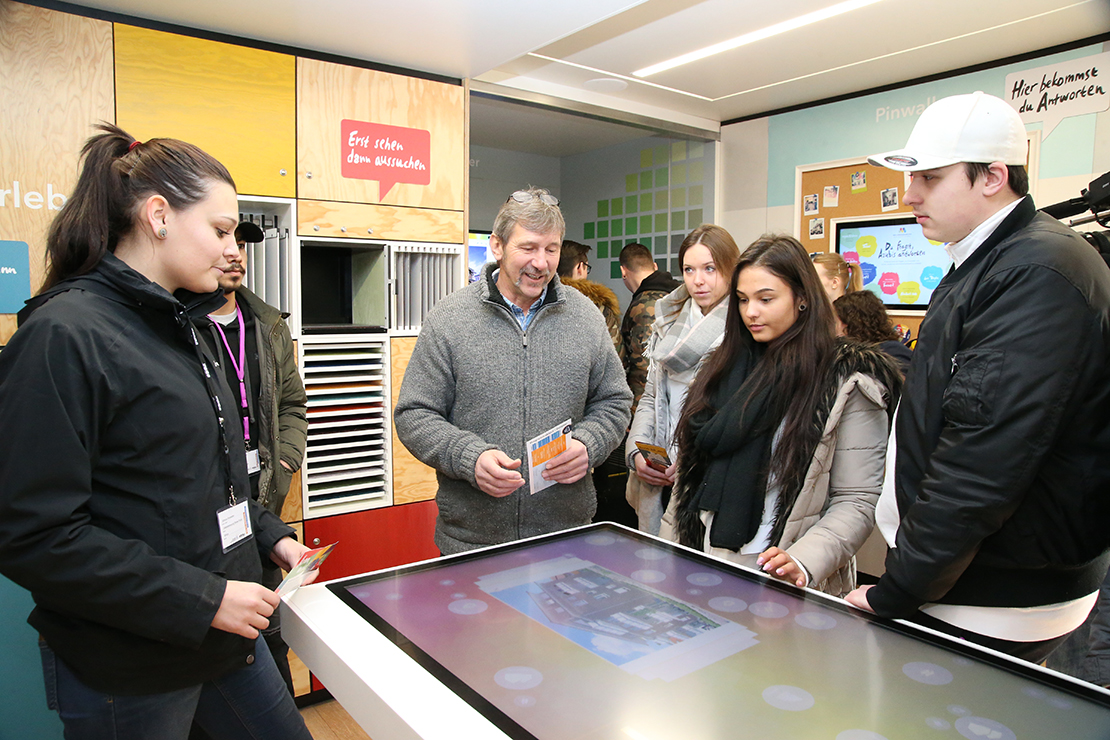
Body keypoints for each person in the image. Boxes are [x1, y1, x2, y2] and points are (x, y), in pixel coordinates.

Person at [0, 125, 312, 739]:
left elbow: (210, 475)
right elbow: (33, 533)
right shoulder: (66, 334)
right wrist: (204, 600)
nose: (233, 249)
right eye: (220, 230)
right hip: (132, 666)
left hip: (223, 635)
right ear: (159, 216)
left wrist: (270, 535)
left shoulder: (187, 328)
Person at [845, 91, 1110, 663]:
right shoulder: (995, 261)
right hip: (975, 580)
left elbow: (984, 458)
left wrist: (902, 586)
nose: (910, 195)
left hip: (996, 594)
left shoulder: (1033, 272)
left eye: (932, 179)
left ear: (992, 176)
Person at [394, 187, 631, 555]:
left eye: (551, 249)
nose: (541, 263)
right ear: (497, 246)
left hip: (565, 537)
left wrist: (590, 443)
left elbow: (615, 401)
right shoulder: (450, 318)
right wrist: (468, 457)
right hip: (472, 542)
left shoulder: (586, 317)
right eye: (529, 247)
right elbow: (415, 414)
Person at [665, 235, 902, 596]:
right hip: (704, 561)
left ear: (803, 298)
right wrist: (668, 553)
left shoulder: (846, 378)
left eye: (766, 299)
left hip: (785, 574)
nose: (751, 312)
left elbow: (856, 498)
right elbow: (689, 481)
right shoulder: (723, 367)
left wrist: (804, 560)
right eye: (742, 300)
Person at [199, 220, 308, 698]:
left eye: (240, 243)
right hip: (205, 505)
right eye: (223, 240)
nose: (235, 254)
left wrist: (284, 462)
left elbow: (293, 405)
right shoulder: (179, 326)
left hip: (263, 496)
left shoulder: (267, 323)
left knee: (268, 624)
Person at [625, 225, 739, 535]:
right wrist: (637, 450)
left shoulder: (743, 328)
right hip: (660, 467)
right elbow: (651, 397)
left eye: (710, 269)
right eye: (689, 269)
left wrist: (690, 462)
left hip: (708, 480)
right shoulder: (669, 318)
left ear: (731, 269)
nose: (698, 280)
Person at [617, 241, 681, 413]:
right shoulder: (677, 295)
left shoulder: (643, 306)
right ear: (654, 266)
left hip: (654, 406)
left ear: (623, 271)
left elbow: (645, 366)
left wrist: (636, 409)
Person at [558, 239, 623, 355]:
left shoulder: (536, 302)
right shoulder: (598, 308)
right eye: (586, 267)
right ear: (579, 267)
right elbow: (614, 359)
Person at [832, 290, 912, 374]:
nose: (830, 328)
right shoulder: (849, 354)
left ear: (851, 324)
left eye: (834, 322)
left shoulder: (893, 352)